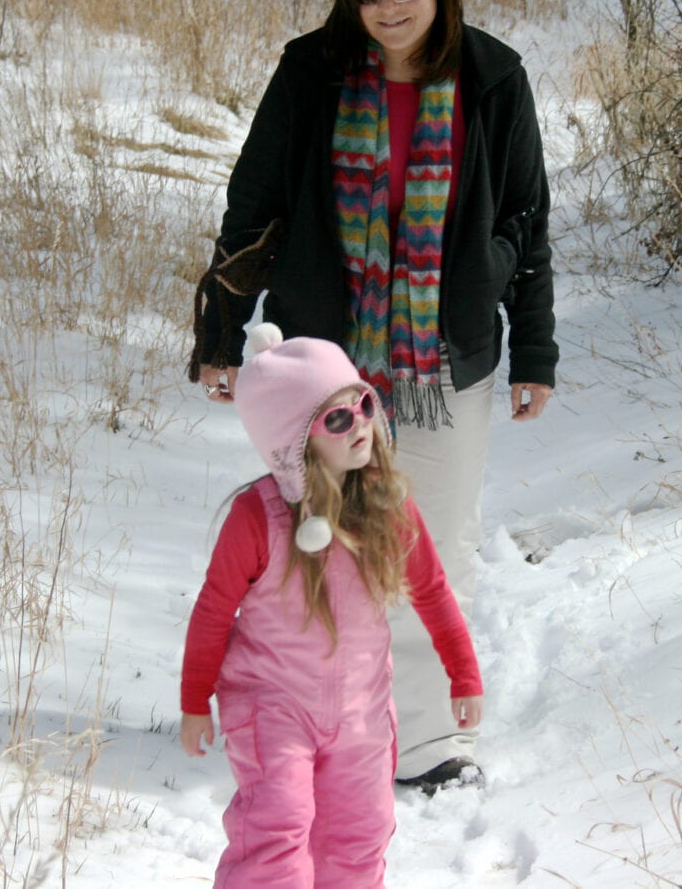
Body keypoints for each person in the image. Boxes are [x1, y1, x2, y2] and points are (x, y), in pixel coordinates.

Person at [189, 0, 556, 790]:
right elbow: (254, 202)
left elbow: (526, 216)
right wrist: (220, 332)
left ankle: (429, 745)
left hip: (445, 355)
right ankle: (326, 730)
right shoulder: (312, 73)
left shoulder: (493, 78)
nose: (388, 5)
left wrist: (534, 349)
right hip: (329, 359)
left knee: (434, 544)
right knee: (332, 549)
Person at [181, 323, 484, 888]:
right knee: (278, 827)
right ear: (293, 440)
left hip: (361, 711)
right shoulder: (257, 518)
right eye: (337, 418)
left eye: (363, 405)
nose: (360, 425)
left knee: (361, 834)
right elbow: (213, 612)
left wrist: (462, 676)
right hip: (272, 705)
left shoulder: (387, 509)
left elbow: (434, 591)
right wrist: (195, 699)